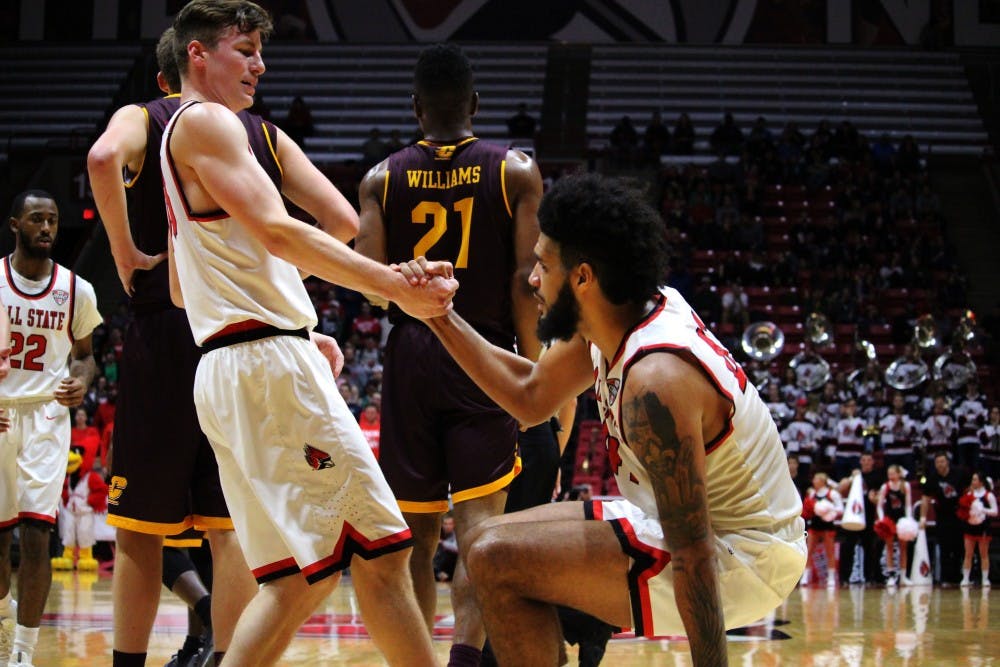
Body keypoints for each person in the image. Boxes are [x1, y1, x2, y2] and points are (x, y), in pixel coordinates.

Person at [161, 2, 456, 664]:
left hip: (230, 363)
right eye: (245, 50)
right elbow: (281, 229)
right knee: (382, 550)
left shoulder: (179, 141)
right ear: (198, 56)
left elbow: (184, 287)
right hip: (262, 363)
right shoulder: (209, 122)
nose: (260, 64)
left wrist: (285, 319)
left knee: (299, 574)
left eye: (262, 51)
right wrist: (388, 284)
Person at [412, 172, 806, 666]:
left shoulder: (655, 382)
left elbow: (694, 555)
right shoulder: (611, 316)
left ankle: (582, 616)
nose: (533, 279)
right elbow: (531, 398)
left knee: (497, 559)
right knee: (484, 544)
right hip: (687, 528)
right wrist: (438, 315)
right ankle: (578, 620)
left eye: (543, 266)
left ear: (582, 277)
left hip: (745, 558)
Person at [88, 25, 358, 666]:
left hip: (164, 336)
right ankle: (222, 656)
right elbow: (344, 223)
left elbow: (101, 159)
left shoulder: (147, 116)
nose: (258, 67)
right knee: (228, 526)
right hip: (244, 343)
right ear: (194, 61)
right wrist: (280, 286)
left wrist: (126, 255)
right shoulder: (263, 134)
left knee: (139, 533)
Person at [355, 42, 545, 667]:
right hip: (483, 350)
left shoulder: (380, 178)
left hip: (413, 352)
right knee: (481, 534)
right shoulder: (514, 169)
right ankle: (465, 660)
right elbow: (525, 278)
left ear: (415, 108)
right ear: (475, 103)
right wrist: (530, 360)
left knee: (415, 536)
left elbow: (374, 290)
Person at [0, 189, 102, 667]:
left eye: (54, 221)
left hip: (45, 414)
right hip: (0, 411)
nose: (47, 228)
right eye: (37, 219)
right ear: (15, 224)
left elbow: (85, 357)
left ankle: (22, 653)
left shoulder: (76, 289)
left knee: (37, 534)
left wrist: (81, 382)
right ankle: (5, 614)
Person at [920, 452, 969, 586]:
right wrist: (923, 517)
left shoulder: (959, 474)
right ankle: (946, 578)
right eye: (937, 462)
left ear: (947, 462)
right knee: (944, 548)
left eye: (942, 461)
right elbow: (925, 499)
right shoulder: (932, 479)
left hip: (959, 515)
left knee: (960, 547)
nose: (940, 464)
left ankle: (961, 577)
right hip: (942, 516)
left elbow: (969, 489)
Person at [802, 472, 842, 588]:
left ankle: (831, 578)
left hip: (827, 526)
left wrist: (828, 509)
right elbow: (808, 509)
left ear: (822, 481)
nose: (813, 481)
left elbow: (840, 509)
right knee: (808, 551)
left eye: (816, 479)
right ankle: (805, 576)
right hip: (814, 526)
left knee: (830, 552)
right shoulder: (812, 494)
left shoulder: (832, 494)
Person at [875, 464, 913, 586]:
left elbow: (908, 505)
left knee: (903, 548)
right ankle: (891, 576)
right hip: (889, 519)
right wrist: (882, 520)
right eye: (889, 474)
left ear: (898, 474)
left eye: (892, 473)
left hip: (901, 520)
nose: (890, 476)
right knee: (889, 547)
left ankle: (903, 576)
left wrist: (908, 519)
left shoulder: (905, 486)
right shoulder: (885, 487)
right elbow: (880, 506)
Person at [958, 471, 997, 587]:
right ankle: (965, 578)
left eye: (975, 479)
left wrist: (982, 510)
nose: (972, 482)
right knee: (968, 553)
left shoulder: (988, 495)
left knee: (983, 554)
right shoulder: (968, 494)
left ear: (981, 482)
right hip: (970, 527)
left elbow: (995, 512)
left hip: (983, 528)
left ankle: (985, 579)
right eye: (972, 479)